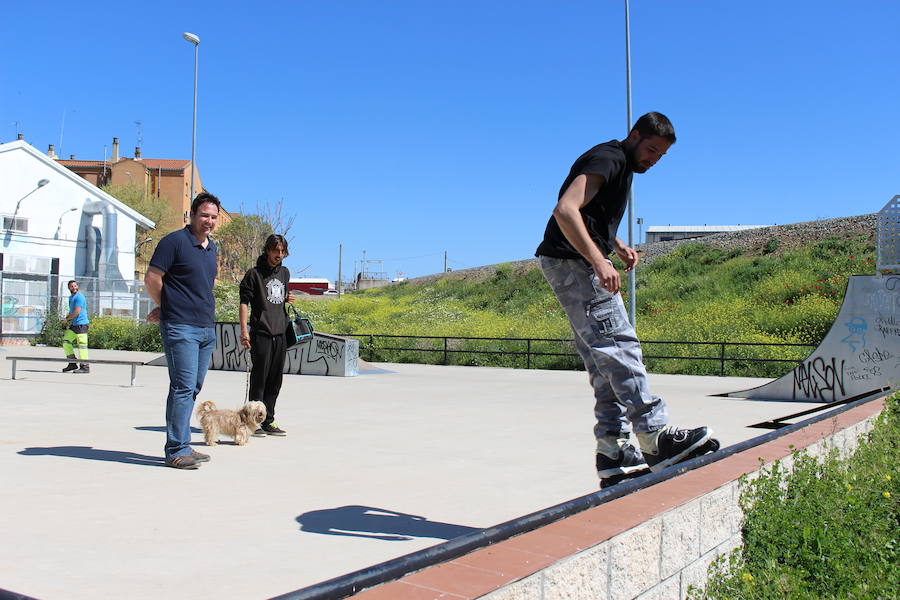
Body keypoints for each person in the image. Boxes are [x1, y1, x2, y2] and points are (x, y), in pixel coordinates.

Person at [535, 112, 717, 488]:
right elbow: (565, 209)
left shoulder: (618, 162)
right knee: (618, 345)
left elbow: (589, 213)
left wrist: (614, 244)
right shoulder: (611, 159)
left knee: (603, 359)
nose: (653, 159)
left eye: (661, 155)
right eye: (650, 149)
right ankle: (654, 436)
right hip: (575, 265)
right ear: (633, 136)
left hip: (565, 261)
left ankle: (613, 449)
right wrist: (598, 259)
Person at [144, 192, 221, 470]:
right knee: (182, 387)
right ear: (191, 214)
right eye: (204, 215)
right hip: (180, 327)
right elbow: (152, 278)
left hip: (205, 328)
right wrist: (166, 307)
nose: (208, 221)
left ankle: (184, 444)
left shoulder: (211, 248)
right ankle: (176, 450)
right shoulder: (174, 242)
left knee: (193, 388)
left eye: (213, 217)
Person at [239, 234, 295, 436]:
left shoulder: (285, 273)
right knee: (259, 379)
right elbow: (244, 303)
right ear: (267, 250)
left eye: (282, 251)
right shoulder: (254, 274)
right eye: (275, 250)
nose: (279, 255)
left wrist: (289, 297)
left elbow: (281, 299)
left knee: (275, 380)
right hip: (261, 333)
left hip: (280, 333)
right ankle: (252, 422)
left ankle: (268, 420)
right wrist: (244, 330)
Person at [62, 280, 90, 373]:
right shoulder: (71, 297)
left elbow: (77, 312)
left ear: (77, 286)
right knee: (66, 341)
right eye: (71, 286)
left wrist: (66, 319)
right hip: (75, 325)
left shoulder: (79, 297)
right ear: (69, 288)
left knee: (82, 346)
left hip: (81, 324)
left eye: (75, 286)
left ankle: (85, 366)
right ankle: (72, 363)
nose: (73, 288)